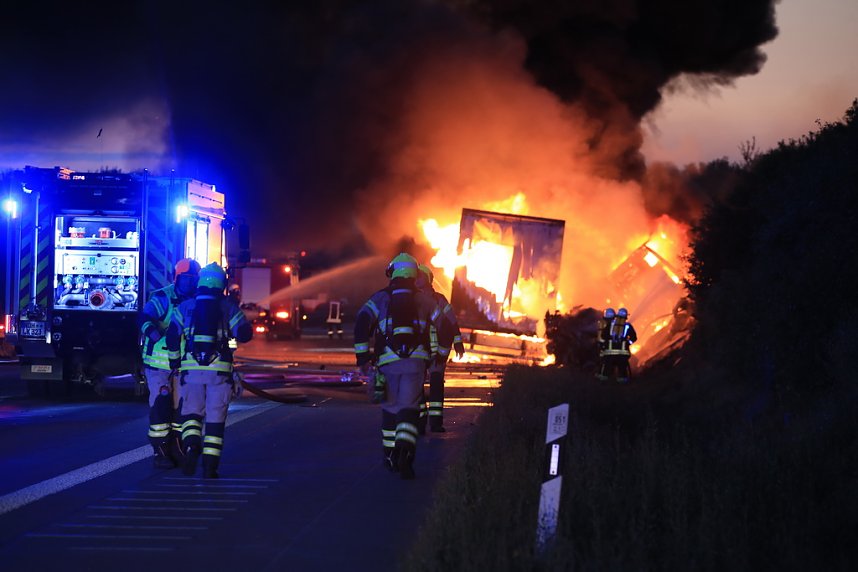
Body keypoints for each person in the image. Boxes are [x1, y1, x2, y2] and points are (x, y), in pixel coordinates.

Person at [353, 253, 452, 480]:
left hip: (387, 363)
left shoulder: (379, 299)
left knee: (390, 409)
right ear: (415, 274)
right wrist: (440, 356)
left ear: (393, 272)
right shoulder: (426, 300)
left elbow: (361, 324)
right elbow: (445, 328)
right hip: (415, 365)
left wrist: (363, 359)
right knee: (409, 409)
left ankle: (389, 455)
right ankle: (406, 452)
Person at [166, 262, 253, 479]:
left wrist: (175, 362)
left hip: (191, 372)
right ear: (222, 283)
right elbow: (244, 334)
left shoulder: (185, 307)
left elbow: (172, 336)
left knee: (191, 415)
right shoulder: (228, 306)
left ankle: (191, 447)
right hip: (219, 373)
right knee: (215, 420)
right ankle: (210, 468)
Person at [139, 257, 201, 469]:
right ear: (177, 278)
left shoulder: (199, 300)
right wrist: (154, 334)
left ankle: (177, 445)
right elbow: (144, 318)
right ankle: (160, 450)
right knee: (160, 405)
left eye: (192, 279)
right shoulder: (163, 297)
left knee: (181, 407)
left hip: (184, 365)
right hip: (159, 364)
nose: (188, 284)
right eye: (185, 279)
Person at [416, 263, 465, 433]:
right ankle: (420, 423)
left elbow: (452, 321)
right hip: (419, 351)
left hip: (438, 351)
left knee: (436, 385)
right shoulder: (413, 299)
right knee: (417, 387)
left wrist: (458, 342)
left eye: (420, 276)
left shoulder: (439, 299)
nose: (416, 279)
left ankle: (436, 423)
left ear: (428, 279)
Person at [602, 307, 637, 383]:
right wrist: (628, 342)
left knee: (607, 368)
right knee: (622, 369)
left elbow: (603, 335)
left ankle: (605, 381)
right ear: (626, 317)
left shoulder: (610, 325)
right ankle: (622, 382)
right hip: (623, 353)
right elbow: (634, 338)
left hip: (609, 353)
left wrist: (608, 342)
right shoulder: (628, 326)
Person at [595, 307, 615, 382]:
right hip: (610, 347)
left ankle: (603, 375)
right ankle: (604, 375)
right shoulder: (612, 325)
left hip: (605, 347)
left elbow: (601, 337)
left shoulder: (604, 325)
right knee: (606, 361)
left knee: (604, 361)